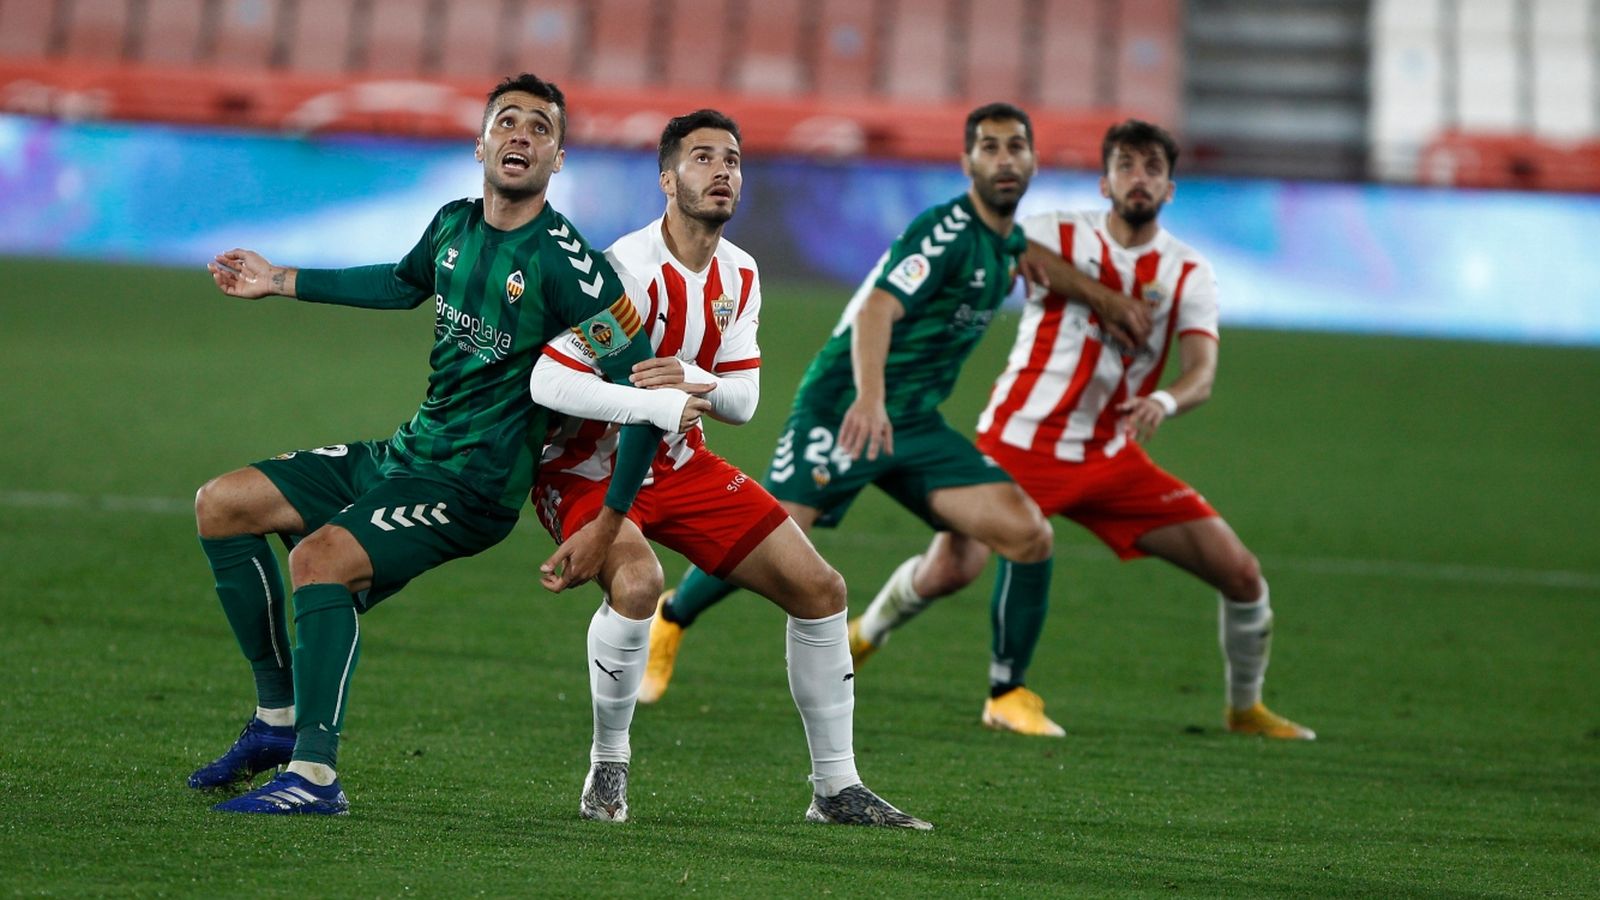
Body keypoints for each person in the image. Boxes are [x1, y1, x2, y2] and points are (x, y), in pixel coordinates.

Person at [188, 73, 710, 815]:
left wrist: (609, 520)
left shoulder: (570, 265)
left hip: (470, 488)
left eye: (540, 127)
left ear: (559, 158)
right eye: (508, 121)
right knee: (222, 505)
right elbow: (403, 284)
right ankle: (276, 723)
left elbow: (650, 401)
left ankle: (314, 776)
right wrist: (279, 279)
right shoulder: (452, 224)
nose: (521, 134)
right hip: (410, 455)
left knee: (318, 562)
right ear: (482, 143)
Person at [528, 109, 930, 829]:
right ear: (666, 178)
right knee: (642, 580)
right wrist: (644, 402)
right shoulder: (624, 272)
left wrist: (685, 378)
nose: (722, 172)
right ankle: (608, 766)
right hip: (586, 468)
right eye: (703, 158)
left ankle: (835, 789)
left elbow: (742, 399)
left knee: (821, 588)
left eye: (734, 160)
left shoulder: (740, 273)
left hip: (683, 466)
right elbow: (550, 381)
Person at [851, 119, 1315, 740]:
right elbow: (1001, 244)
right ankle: (862, 638)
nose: (1139, 178)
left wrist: (1165, 403)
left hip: (1111, 459)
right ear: (1104, 181)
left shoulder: (1188, 272)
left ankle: (1245, 710)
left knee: (1241, 573)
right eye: (1126, 165)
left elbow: (1201, 374)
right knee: (950, 570)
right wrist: (1098, 295)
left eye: (1153, 168)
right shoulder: (1054, 232)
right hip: (1019, 442)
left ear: (1171, 189)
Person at [644, 103, 1082, 737]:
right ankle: (673, 618)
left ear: (1034, 160)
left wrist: (1107, 301)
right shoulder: (947, 231)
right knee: (781, 529)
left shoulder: (1004, 237)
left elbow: (1031, 252)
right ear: (966, 162)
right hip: (847, 405)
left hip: (913, 422)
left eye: (1017, 147)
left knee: (1015, 540)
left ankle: (999, 691)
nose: (1005, 160)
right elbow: (878, 308)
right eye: (990, 148)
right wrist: (869, 399)